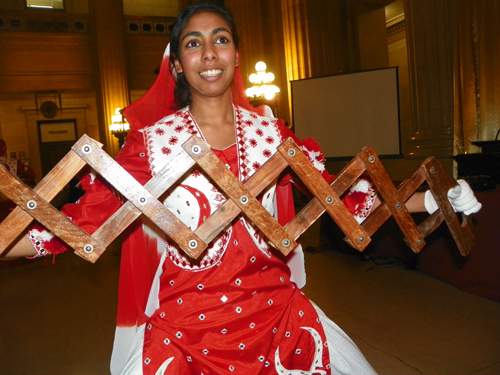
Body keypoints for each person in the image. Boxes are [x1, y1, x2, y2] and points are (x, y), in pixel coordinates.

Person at [4, 2, 482, 374]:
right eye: (193, 43)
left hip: (279, 315)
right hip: (186, 328)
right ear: (176, 65)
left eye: (221, 39)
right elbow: (82, 221)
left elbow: (340, 199)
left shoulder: (273, 136)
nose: (209, 52)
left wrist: (435, 197)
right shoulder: (150, 147)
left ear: (235, 55)